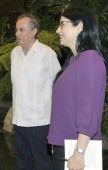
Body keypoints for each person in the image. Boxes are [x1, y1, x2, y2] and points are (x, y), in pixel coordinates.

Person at [48, 7, 106, 170]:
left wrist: (79, 152)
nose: (57, 30)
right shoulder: (74, 61)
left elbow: (89, 110)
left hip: (76, 149)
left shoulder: (90, 60)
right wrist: (56, 140)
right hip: (65, 144)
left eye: (62, 24)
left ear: (79, 26)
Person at [10, 14, 61, 169]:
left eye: (22, 29)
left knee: (43, 163)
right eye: (16, 29)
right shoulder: (14, 54)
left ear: (34, 31)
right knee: (22, 162)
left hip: (40, 121)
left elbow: (59, 86)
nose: (18, 33)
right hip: (19, 120)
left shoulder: (47, 54)